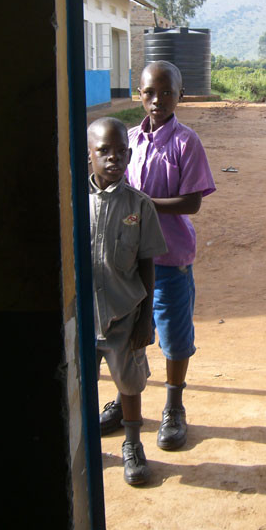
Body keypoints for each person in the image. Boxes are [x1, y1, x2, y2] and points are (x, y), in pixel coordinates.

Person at [99, 60, 216, 452]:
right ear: (139, 94)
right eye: (149, 92)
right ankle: (124, 398)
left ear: (180, 96)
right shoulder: (128, 140)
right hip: (126, 260)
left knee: (173, 336)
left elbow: (193, 202)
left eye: (167, 92)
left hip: (169, 259)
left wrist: (145, 204)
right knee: (126, 333)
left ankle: (173, 406)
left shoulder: (186, 143)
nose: (157, 100)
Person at [88, 117, 167, 485]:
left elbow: (147, 264)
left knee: (130, 383)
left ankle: (133, 445)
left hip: (124, 314)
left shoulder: (140, 206)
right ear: (89, 155)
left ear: (130, 154)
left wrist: (144, 320)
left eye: (121, 151)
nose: (113, 159)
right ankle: (87, 444)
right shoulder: (75, 201)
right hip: (85, 318)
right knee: (81, 384)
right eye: (104, 151)